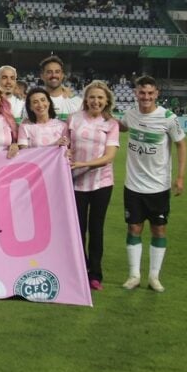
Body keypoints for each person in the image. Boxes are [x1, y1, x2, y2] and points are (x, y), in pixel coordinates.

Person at [120, 75, 187, 293]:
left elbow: (181, 145)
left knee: (159, 230)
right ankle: (134, 275)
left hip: (158, 186)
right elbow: (120, 127)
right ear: (136, 93)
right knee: (134, 227)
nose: (146, 97)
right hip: (133, 185)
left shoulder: (168, 118)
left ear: (157, 93)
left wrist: (180, 177)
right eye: (142, 92)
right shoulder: (130, 114)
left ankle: (154, 276)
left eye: (150, 93)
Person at [68, 81, 120, 291]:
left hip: (101, 183)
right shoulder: (74, 119)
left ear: (106, 100)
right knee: (78, 229)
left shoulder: (111, 124)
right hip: (75, 183)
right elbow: (66, 144)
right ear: (86, 99)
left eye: (100, 97)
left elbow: (109, 157)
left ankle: (95, 274)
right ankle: (80, 269)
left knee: (96, 229)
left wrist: (82, 164)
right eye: (92, 97)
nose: (96, 101)